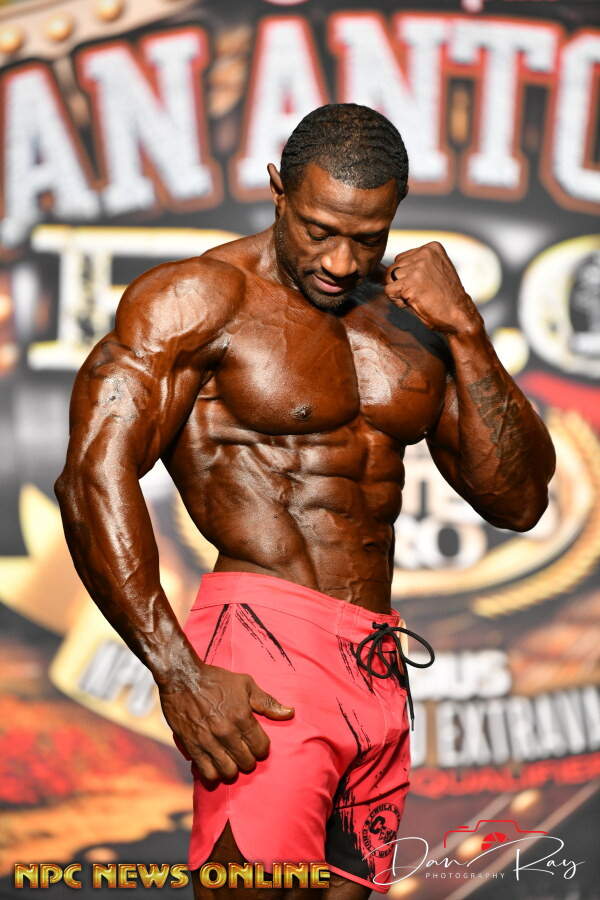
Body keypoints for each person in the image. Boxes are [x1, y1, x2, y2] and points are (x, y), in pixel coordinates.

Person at [55, 104, 555, 898]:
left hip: (377, 662)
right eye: (320, 230)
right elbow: (91, 478)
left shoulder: (411, 324)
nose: (342, 260)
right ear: (277, 192)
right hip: (264, 651)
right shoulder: (198, 298)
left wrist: (466, 331)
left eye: (368, 238)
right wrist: (177, 672)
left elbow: (520, 500)